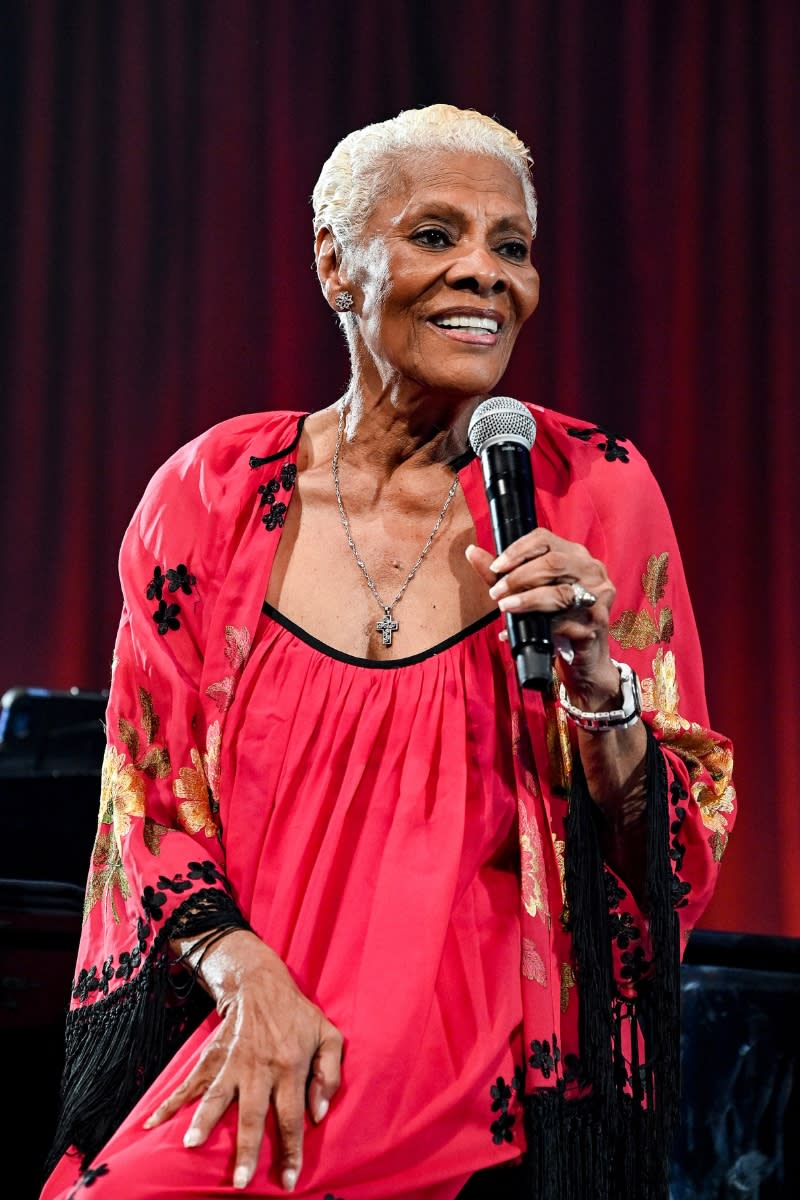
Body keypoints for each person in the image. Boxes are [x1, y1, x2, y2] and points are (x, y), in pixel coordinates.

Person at [39, 103, 735, 1200]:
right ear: (334, 263)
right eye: (434, 235)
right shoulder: (213, 496)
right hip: (256, 1032)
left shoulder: (591, 488)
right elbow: (147, 803)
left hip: (479, 1071)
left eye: (510, 247)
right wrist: (244, 974)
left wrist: (601, 688)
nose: (483, 275)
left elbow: (670, 851)